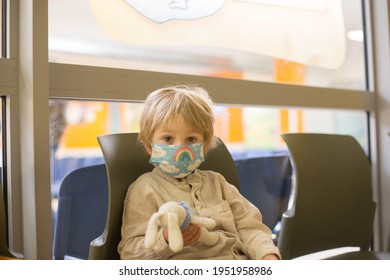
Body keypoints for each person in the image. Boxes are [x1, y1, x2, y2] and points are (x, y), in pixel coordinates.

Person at [117, 85, 281, 260]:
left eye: (191, 139)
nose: (180, 148)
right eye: (168, 139)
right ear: (149, 145)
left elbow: (250, 226)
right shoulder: (144, 188)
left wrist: (268, 256)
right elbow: (130, 255)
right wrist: (165, 239)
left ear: (203, 145)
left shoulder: (218, 182)